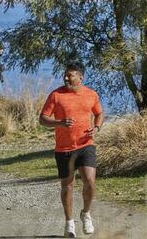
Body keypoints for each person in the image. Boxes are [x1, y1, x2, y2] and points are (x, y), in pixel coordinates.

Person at [39, 62, 103, 237]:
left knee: (90, 181)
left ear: (80, 77)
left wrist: (96, 127)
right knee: (67, 186)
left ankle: (86, 214)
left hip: (86, 145)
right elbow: (42, 119)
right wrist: (59, 123)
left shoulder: (91, 94)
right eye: (65, 75)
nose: (66, 78)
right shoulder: (56, 95)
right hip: (64, 148)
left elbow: (99, 113)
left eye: (70, 75)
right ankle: (69, 223)